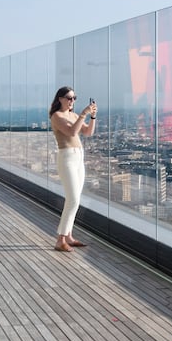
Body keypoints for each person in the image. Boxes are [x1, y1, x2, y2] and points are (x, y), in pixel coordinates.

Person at [48, 86, 97, 253]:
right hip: (67, 157)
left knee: (75, 200)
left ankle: (68, 235)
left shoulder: (73, 115)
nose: (72, 101)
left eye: (74, 98)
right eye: (69, 98)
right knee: (73, 199)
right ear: (60, 98)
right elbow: (71, 132)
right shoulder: (57, 116)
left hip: (78, 157)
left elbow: (87, 133)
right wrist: (83, 113)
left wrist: (93, 117)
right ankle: (60, 239)